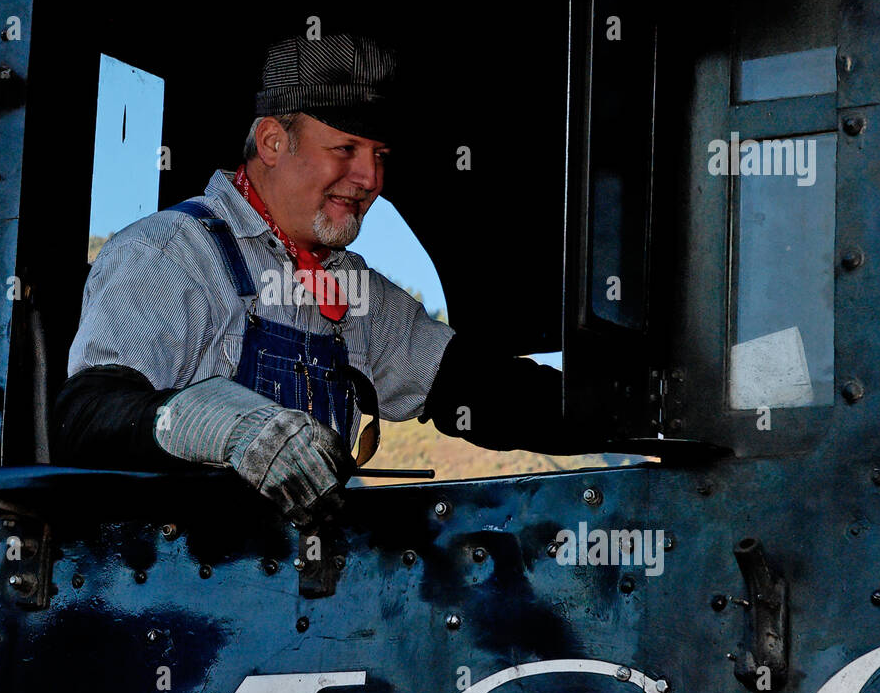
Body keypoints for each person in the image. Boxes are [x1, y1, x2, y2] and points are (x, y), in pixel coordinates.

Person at [53, 34, 592, 525]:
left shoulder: (353, 289)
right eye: (346, 150)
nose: (371, 179)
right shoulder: (170, 254)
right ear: (270, 142)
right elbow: (86, 417)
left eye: (380, 155)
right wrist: (227, 428)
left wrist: (640, 410)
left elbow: (477, 389)